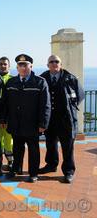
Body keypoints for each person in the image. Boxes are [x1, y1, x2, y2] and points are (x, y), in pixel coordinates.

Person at [4, 54, 51, 183]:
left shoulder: (40, 82)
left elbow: (46, 105)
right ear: (17, 67)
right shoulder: (11, 82)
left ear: (31, 66)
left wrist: (43, 124)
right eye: (20, 65)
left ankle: (33, 173)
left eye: (25, 65)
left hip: (32, 124)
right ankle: (15, 169)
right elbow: (5, 103)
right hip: (16, 123)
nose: (23, 68)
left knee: (33, 150)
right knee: (17, 148)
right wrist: (4, 119)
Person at [39, 55, 84, 183]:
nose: (54, 63)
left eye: (56, 61)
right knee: (50, 144)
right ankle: (51, 165)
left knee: (68, 146)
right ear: (48, 65)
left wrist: (71, 108)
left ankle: (69, 171)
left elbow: (80, 95)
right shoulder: (43, 78)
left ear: (60, 63)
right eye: (51, 62)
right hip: (50, 119)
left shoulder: (70, 78)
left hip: (66, 119)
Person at [0, 56, 14, 170]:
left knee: (9, 140)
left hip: (9, 116)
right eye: (1, 64)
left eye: (5, 64)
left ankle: (10, 161)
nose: (3, 66)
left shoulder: (13, 80)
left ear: (9, 66)